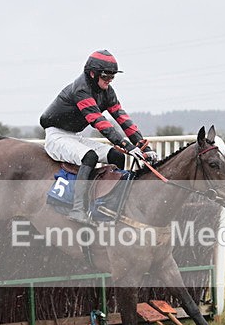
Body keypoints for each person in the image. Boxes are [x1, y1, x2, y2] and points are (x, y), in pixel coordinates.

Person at [40, 49, 156, 224]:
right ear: (92, 74)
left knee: (117, 156)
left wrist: (143, 147)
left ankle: (109, 205)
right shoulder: (81, 89)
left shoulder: (108, 92)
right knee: (90, 156)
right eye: (105, 76)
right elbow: (98, 121)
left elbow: (123, 119)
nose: (109, 80)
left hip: (74, 136)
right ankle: (78, 209)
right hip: (56, 135)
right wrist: (127, 145)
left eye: (112, 77)